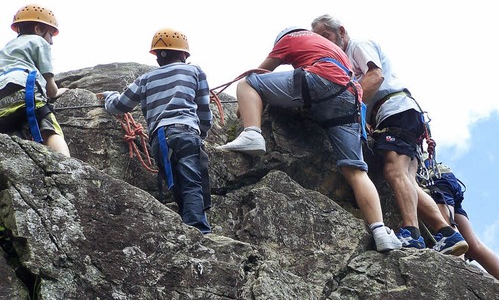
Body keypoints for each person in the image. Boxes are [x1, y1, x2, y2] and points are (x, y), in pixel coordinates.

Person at [216, 26, 403, 252]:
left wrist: (246, 106)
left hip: (319, 81)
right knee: (355, 170)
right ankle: (380, 231)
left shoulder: (290, 38)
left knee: (247, 83)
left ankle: (252, 133)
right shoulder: (334, 49)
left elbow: (262, 72)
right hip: (349, 97)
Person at [311, 14, 467, 255]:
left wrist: (344, 101)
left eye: (327, 36)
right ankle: (447, 234)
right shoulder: (344, 57)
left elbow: (375, 75)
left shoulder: (357, 46)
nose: (327, 43)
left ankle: (412, 233)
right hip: (398, 113)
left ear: (341, 31)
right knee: (407, 179)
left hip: (395, 109)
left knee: (394, 171)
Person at [99, 28, 212, 234]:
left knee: (175, 183)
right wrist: (202, 132)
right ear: (184, 54)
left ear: (158, 56)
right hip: (186, 132)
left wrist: (109, 95)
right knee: (192, 182)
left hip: (160, 139)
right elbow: (204, 108)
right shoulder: (195, 71)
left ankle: (187, 228)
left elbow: (119, 106)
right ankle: (198, 230)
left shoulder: (146, 79)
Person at [419, 161, 499, 300]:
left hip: (434, 179)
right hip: (446, 178)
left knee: (449, 228)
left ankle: (457, 275)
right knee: (473, 245)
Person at [0, 3, 70, 157]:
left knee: (12, 131)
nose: (51, 41)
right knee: (49, 129)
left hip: (2, 98)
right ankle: (67, 169)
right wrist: (58, 91)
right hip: (26, 89)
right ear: (38, 29)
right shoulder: (39, 42)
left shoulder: (6, 48)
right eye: (50, 34)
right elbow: (51, 89)